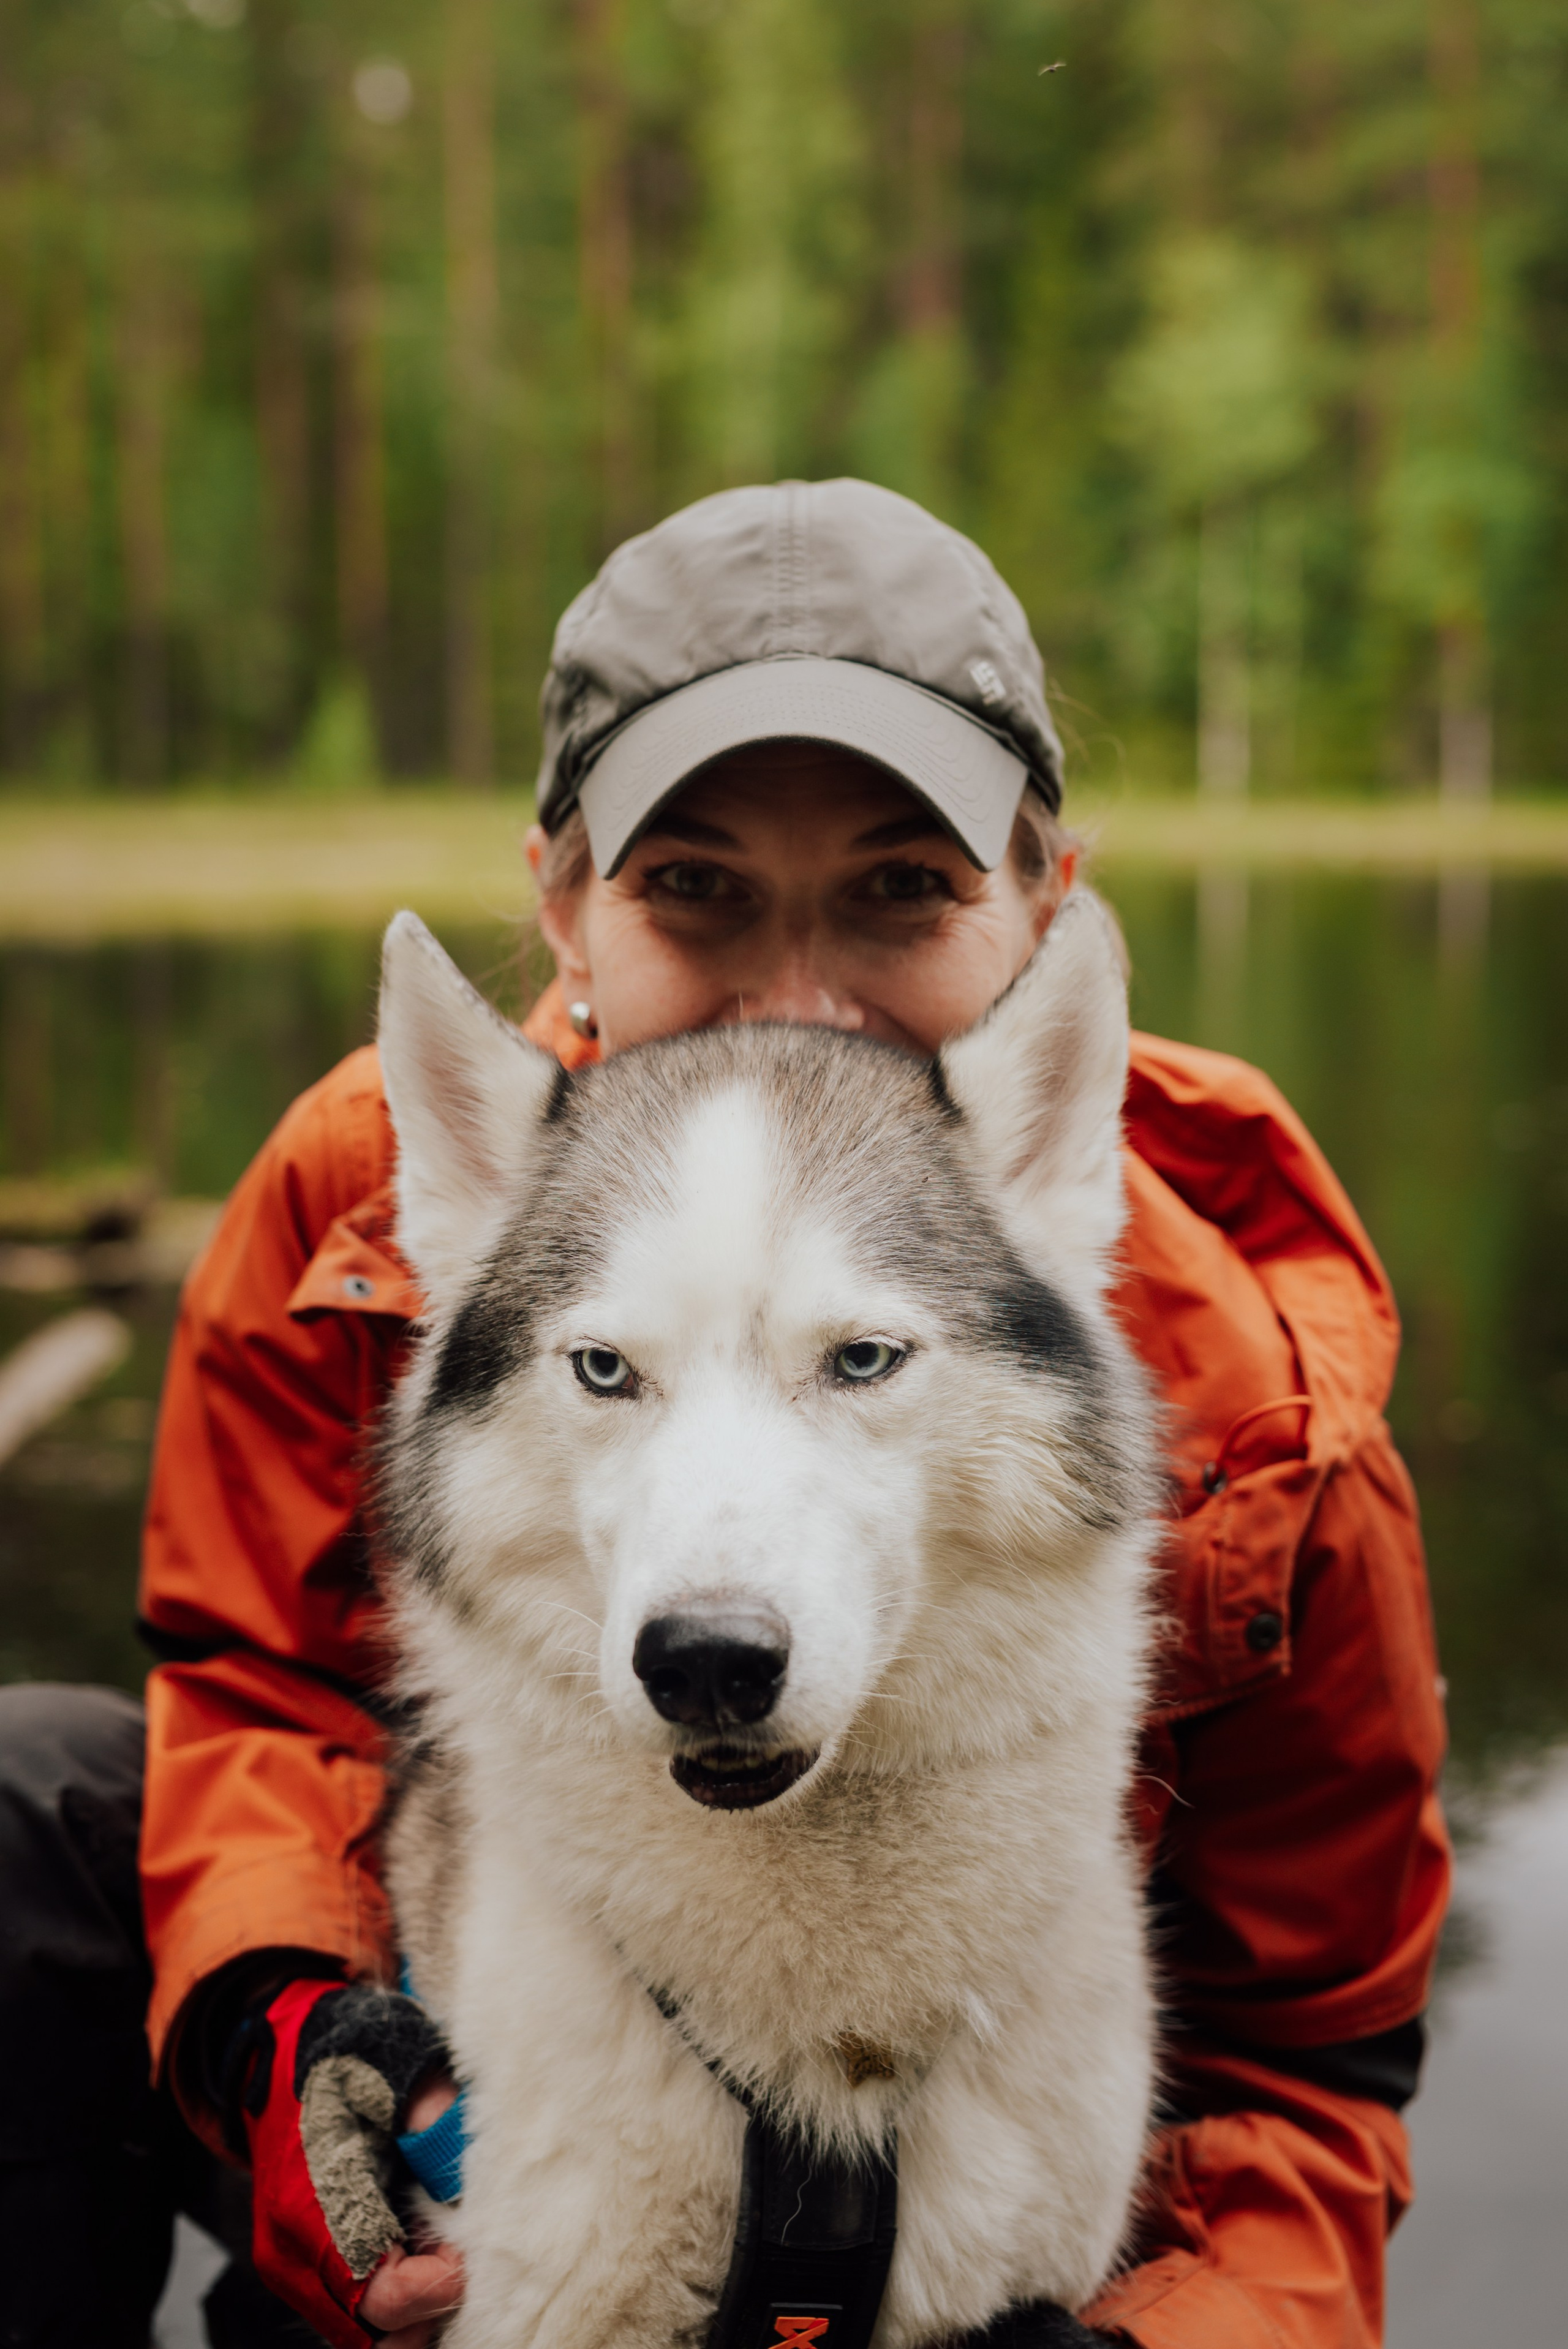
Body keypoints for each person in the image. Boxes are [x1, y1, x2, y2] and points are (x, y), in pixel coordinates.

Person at [0, 480, 1448, 2349]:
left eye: (902, 889)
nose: (801, 998)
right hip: (490, 2003)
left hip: (1011, 2109)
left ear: (1042, 910)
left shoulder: (1268, 1388)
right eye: (695, 889)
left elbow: (1314, 2070)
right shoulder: (381, 1183)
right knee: (33, 1799)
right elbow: (259, 1680)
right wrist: (283, 2027)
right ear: (564, 910)